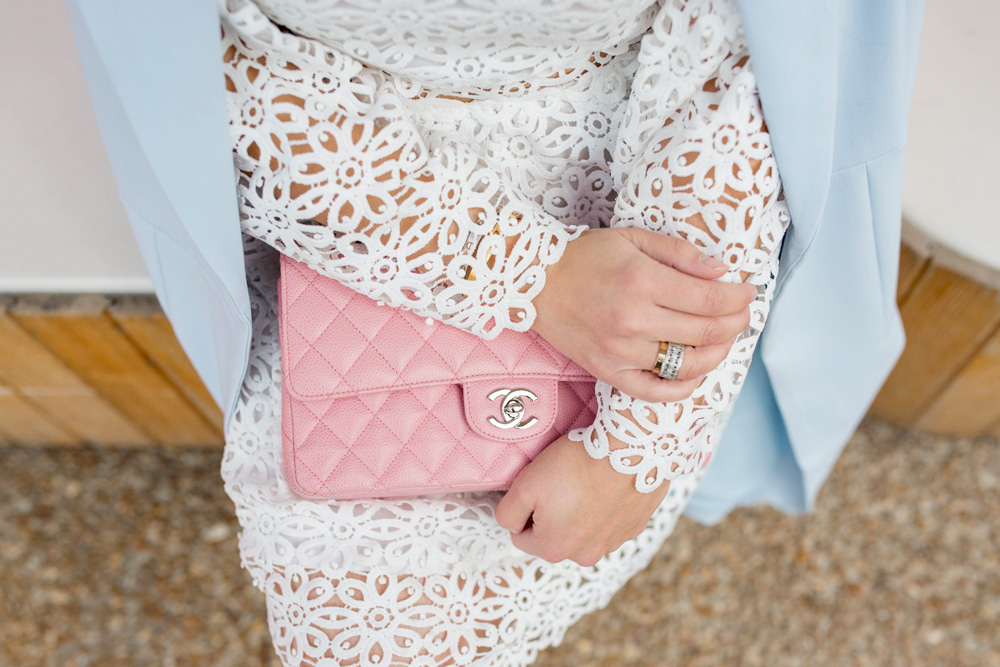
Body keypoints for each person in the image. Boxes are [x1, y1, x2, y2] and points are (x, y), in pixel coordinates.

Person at [65, 0, 925, 663]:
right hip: (351, 218)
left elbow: (737, 73)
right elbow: (202, 80)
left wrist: (638, 447)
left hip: (630, 192)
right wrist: (531, 276)